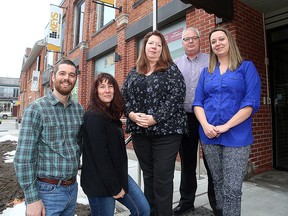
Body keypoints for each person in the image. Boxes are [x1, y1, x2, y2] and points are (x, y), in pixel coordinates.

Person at [192, 27, 261, 216]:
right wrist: (205, 125)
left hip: (236, 137)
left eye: (221, 39)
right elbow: (198, 102)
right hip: (209, 136)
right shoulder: (206, 72)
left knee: (232, 189)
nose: (217, 43)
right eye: (213, 41)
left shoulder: (246, 67)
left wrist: (226, 125)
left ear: (230, 41)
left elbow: (251, 103)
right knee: (218, 185)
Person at [122, 30, 187, 216]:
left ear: (163, 49)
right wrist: (132, 114)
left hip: (167, 132)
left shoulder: (171, 69)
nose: (155, 47)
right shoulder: (134, 71)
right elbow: (124, 95)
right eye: (151, 43)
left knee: (162, 178)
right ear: (145, 47)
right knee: (149, 177)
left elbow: (177, 96)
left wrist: (155, 118)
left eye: (159, 44)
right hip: (141, 133)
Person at [14, 59, 84, 216]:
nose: (67, 78)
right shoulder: (36, 109)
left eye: (72, 75)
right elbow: (23, 158)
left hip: (72, 190)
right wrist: (32, 199)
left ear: (75, 79)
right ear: (53, 77)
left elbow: (78, 146)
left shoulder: (79, 110)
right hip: (47, 193)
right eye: (62, 73)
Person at [80, 73, 150, 216]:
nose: (107, 90)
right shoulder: (93, 116)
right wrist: (115, 187)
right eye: (102, 86)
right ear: (96, 91)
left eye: (110, 86)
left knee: (143, 210)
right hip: (99, 183)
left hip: (119, 175)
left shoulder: (110, 115)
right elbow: (101, 157)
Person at [173, 27, 217, 215]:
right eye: (186, 39)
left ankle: (217, 203)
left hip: (209, 118)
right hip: (186, 119)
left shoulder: (211, 61)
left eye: (194, 38)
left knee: (212, 163)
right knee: (188, 163)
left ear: (200, 40)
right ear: (182, 42)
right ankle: (186, 202)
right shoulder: (175, 64)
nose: (190, 41)